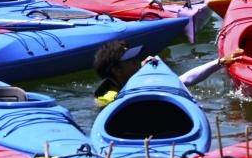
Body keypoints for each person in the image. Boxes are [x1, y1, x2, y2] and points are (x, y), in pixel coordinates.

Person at [93, 42, 224, 108]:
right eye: (131, 61)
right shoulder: (107, 98)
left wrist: (220, 62)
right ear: (117, 70)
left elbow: (182, 81)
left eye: (136, 58)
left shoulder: (132, 83)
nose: (138, 62)